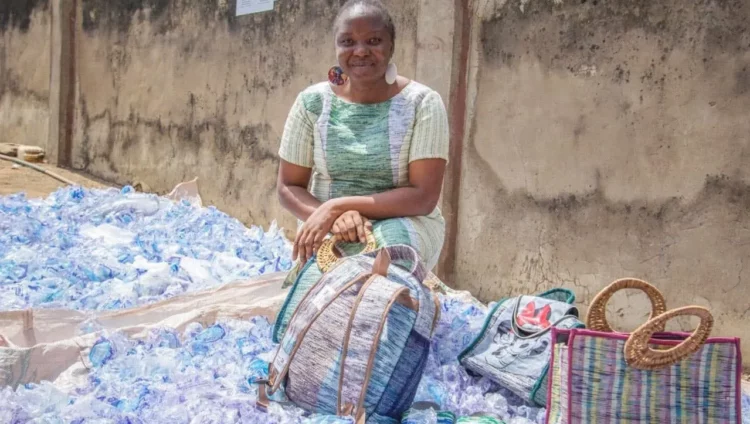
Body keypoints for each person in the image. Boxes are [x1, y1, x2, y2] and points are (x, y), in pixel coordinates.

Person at [276, 0, 449, 273]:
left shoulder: (422, 103)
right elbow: (288, 186)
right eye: (347, 41)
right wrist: (332, 218)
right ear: (336, 47)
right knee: (317, 293)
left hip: (404, 221)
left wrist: (339, 206)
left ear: (391, 46)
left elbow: (423, 197)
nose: (360, 51)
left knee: (385, 268)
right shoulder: (312, 102)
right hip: (326, 224)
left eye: (373, 40)